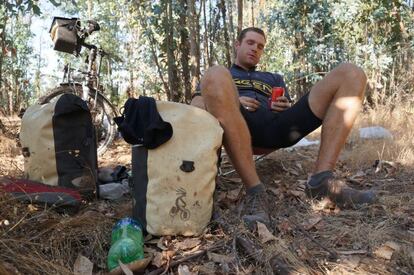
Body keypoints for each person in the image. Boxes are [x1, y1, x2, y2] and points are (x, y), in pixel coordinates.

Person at [191, 27, 376, 228]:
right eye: (250, 43)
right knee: (215, 72)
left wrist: (284, 105)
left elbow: (284, 103)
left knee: (352, 73)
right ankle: (256, 192)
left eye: (260, 46)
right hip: (234, 128)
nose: (255, 49)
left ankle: (321, 181)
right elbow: (197, 107)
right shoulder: (223, 76)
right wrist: (233, 101)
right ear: (238, 44)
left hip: (278, 129)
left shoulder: (273, 78)